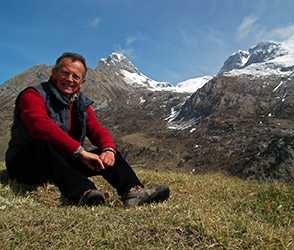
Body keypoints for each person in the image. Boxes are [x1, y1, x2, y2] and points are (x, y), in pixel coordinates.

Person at [5, 52, 170, 207]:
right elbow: (39, 126)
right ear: (54, 73)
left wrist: (108, 151)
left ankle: (133, 192)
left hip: (62, 165)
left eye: (75, 76)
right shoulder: (33, 95)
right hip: (26, 164)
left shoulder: (80, 105)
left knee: (104, 153)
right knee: (43, 142)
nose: (70, 79)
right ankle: (82, 192)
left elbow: (98, 131)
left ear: (82, 82)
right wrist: (80, 152)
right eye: (65, 73)